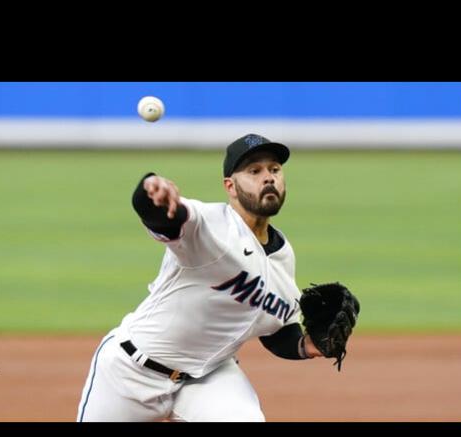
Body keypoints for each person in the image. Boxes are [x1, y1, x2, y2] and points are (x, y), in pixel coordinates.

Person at [77, 133, 329, 422]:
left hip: (207, 378)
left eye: (274, 169)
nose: (268, 178)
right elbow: (169, 217)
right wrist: (151, 191)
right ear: (230, 187)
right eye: (254, 171)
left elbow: (277, 329)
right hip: (130, 373)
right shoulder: (210, 224)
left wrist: (305, 346)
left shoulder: (283, 255)